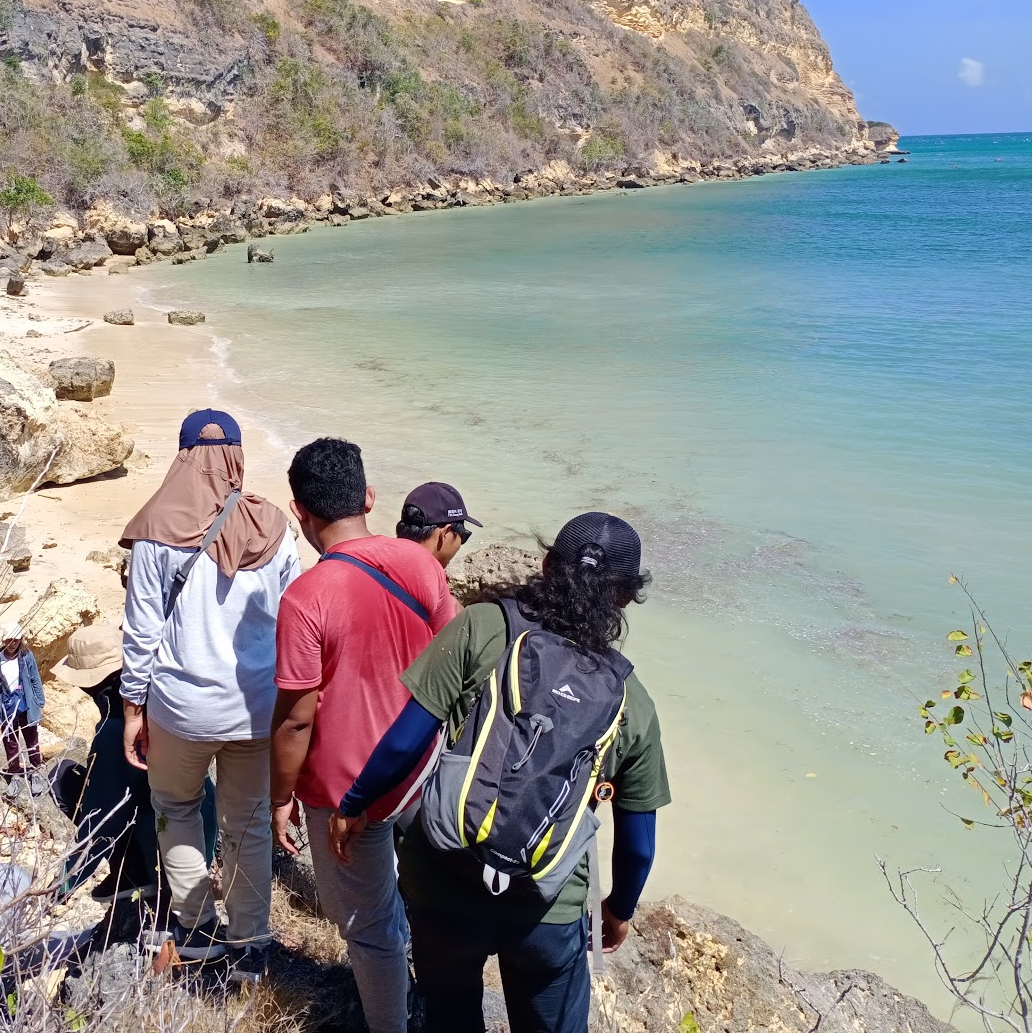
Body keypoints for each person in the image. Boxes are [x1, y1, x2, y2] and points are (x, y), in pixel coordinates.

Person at [331, 513, 669, 1033]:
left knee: (450, 1017)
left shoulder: (483, 626)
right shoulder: (631, 700)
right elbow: (639, 845)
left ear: (547, 564)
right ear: (625, 597)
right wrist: (619, 909)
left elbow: (404, 739)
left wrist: (355, 804)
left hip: (442, 880)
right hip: (546, 908)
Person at [270, 437, 459, 1033]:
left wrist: (281, 797)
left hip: (345, 789)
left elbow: (297, 717)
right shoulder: (422, 564)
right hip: (421, 767)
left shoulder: (305, 598)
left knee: (369, 928)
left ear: (300, 512)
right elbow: (453, 659)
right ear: (370, 498)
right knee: (418, 901)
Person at [119, 409, 300, 976]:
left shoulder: (154, 528)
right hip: (254, 708)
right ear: (237, 456)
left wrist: (132, 707)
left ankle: (195, 929)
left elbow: (142, 629)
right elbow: (294, 622)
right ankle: (250, 944)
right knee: (245, 822)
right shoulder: (274, 527)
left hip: (180, 708)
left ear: (181, 455)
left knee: (176, 807)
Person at [51, 621, 217, 911]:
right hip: (203, 826)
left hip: (171, 845)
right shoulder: (160, 695)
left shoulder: (116, 730)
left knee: (62, 779)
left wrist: (66, 882)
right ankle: (139, 870)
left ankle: (134, 875)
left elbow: (103, 816)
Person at [0, 622, 45, 792]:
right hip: (6, 705)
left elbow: (34, 678)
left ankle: (35, 771)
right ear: (4, 640)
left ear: (21, 640)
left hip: (26, 703)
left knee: (31, 739)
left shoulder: (27, 656)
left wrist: (39, 702)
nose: (12, 644)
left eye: (16, 640)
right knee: (10, 741)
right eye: (9, 640)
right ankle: (15, 775)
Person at [395, 481, 481, 570]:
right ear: (445, 533)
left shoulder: (382, 556)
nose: (461, 542)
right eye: (463, 535)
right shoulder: (428, 579)